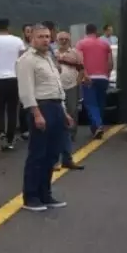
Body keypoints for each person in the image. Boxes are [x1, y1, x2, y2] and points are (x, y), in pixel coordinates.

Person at [16, 25, 70, 211]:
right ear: (32, 38)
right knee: (38, 154)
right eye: (41, 36)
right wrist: (36, 113)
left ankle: (45, 194)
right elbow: (26, 90)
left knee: (52, 154)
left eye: (48, 36)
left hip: (56, 106)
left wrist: (64, 112)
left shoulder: (49, 58)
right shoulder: (27, 60)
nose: (45, 40)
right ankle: (31, 196)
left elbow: (57, 88)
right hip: (41, 107)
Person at [0, 18, 26, 150]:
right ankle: (10, 138)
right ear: (9, 27)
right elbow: (23, 58)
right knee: (12, 109)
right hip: (14, 78)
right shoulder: (18, 41)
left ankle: (1, 133)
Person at [54, 30, 85, 172]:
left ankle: (71, 134)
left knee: (72, 110)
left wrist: (78, 82)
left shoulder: (75, 53)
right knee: (58, 115)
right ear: (57, 40)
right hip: (55, 89)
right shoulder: (52, 54)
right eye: (61, 39)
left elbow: (82, 69)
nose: (64, 41)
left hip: (71, 86)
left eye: (66, 39)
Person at [76, 23, 114, 139]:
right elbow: (110, 63)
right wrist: (107, 74)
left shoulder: (81, 44)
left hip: (88, 77)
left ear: (86, 32)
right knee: (100, 103)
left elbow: (79, 61)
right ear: (96, 31)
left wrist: (84, 74)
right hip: (103, 78)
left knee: (91, 103)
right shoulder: (105, 44)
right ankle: (95, 128)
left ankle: (98, 125)